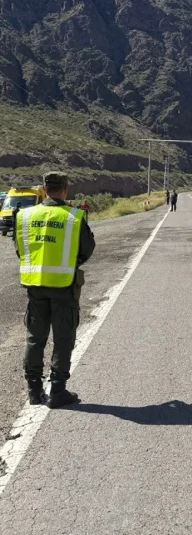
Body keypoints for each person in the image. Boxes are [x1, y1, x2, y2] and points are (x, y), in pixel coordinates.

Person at [15, 172, 95, 409]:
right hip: (63, 286)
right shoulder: (74, 216)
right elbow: (86, 250)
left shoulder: (25, 216)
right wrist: (69, 263)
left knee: (34, 337)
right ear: (65, 190)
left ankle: (34, 391)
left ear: (43, 189)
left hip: (35, 286)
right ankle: (58, 391)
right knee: (63, 338)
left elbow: (21, 250)